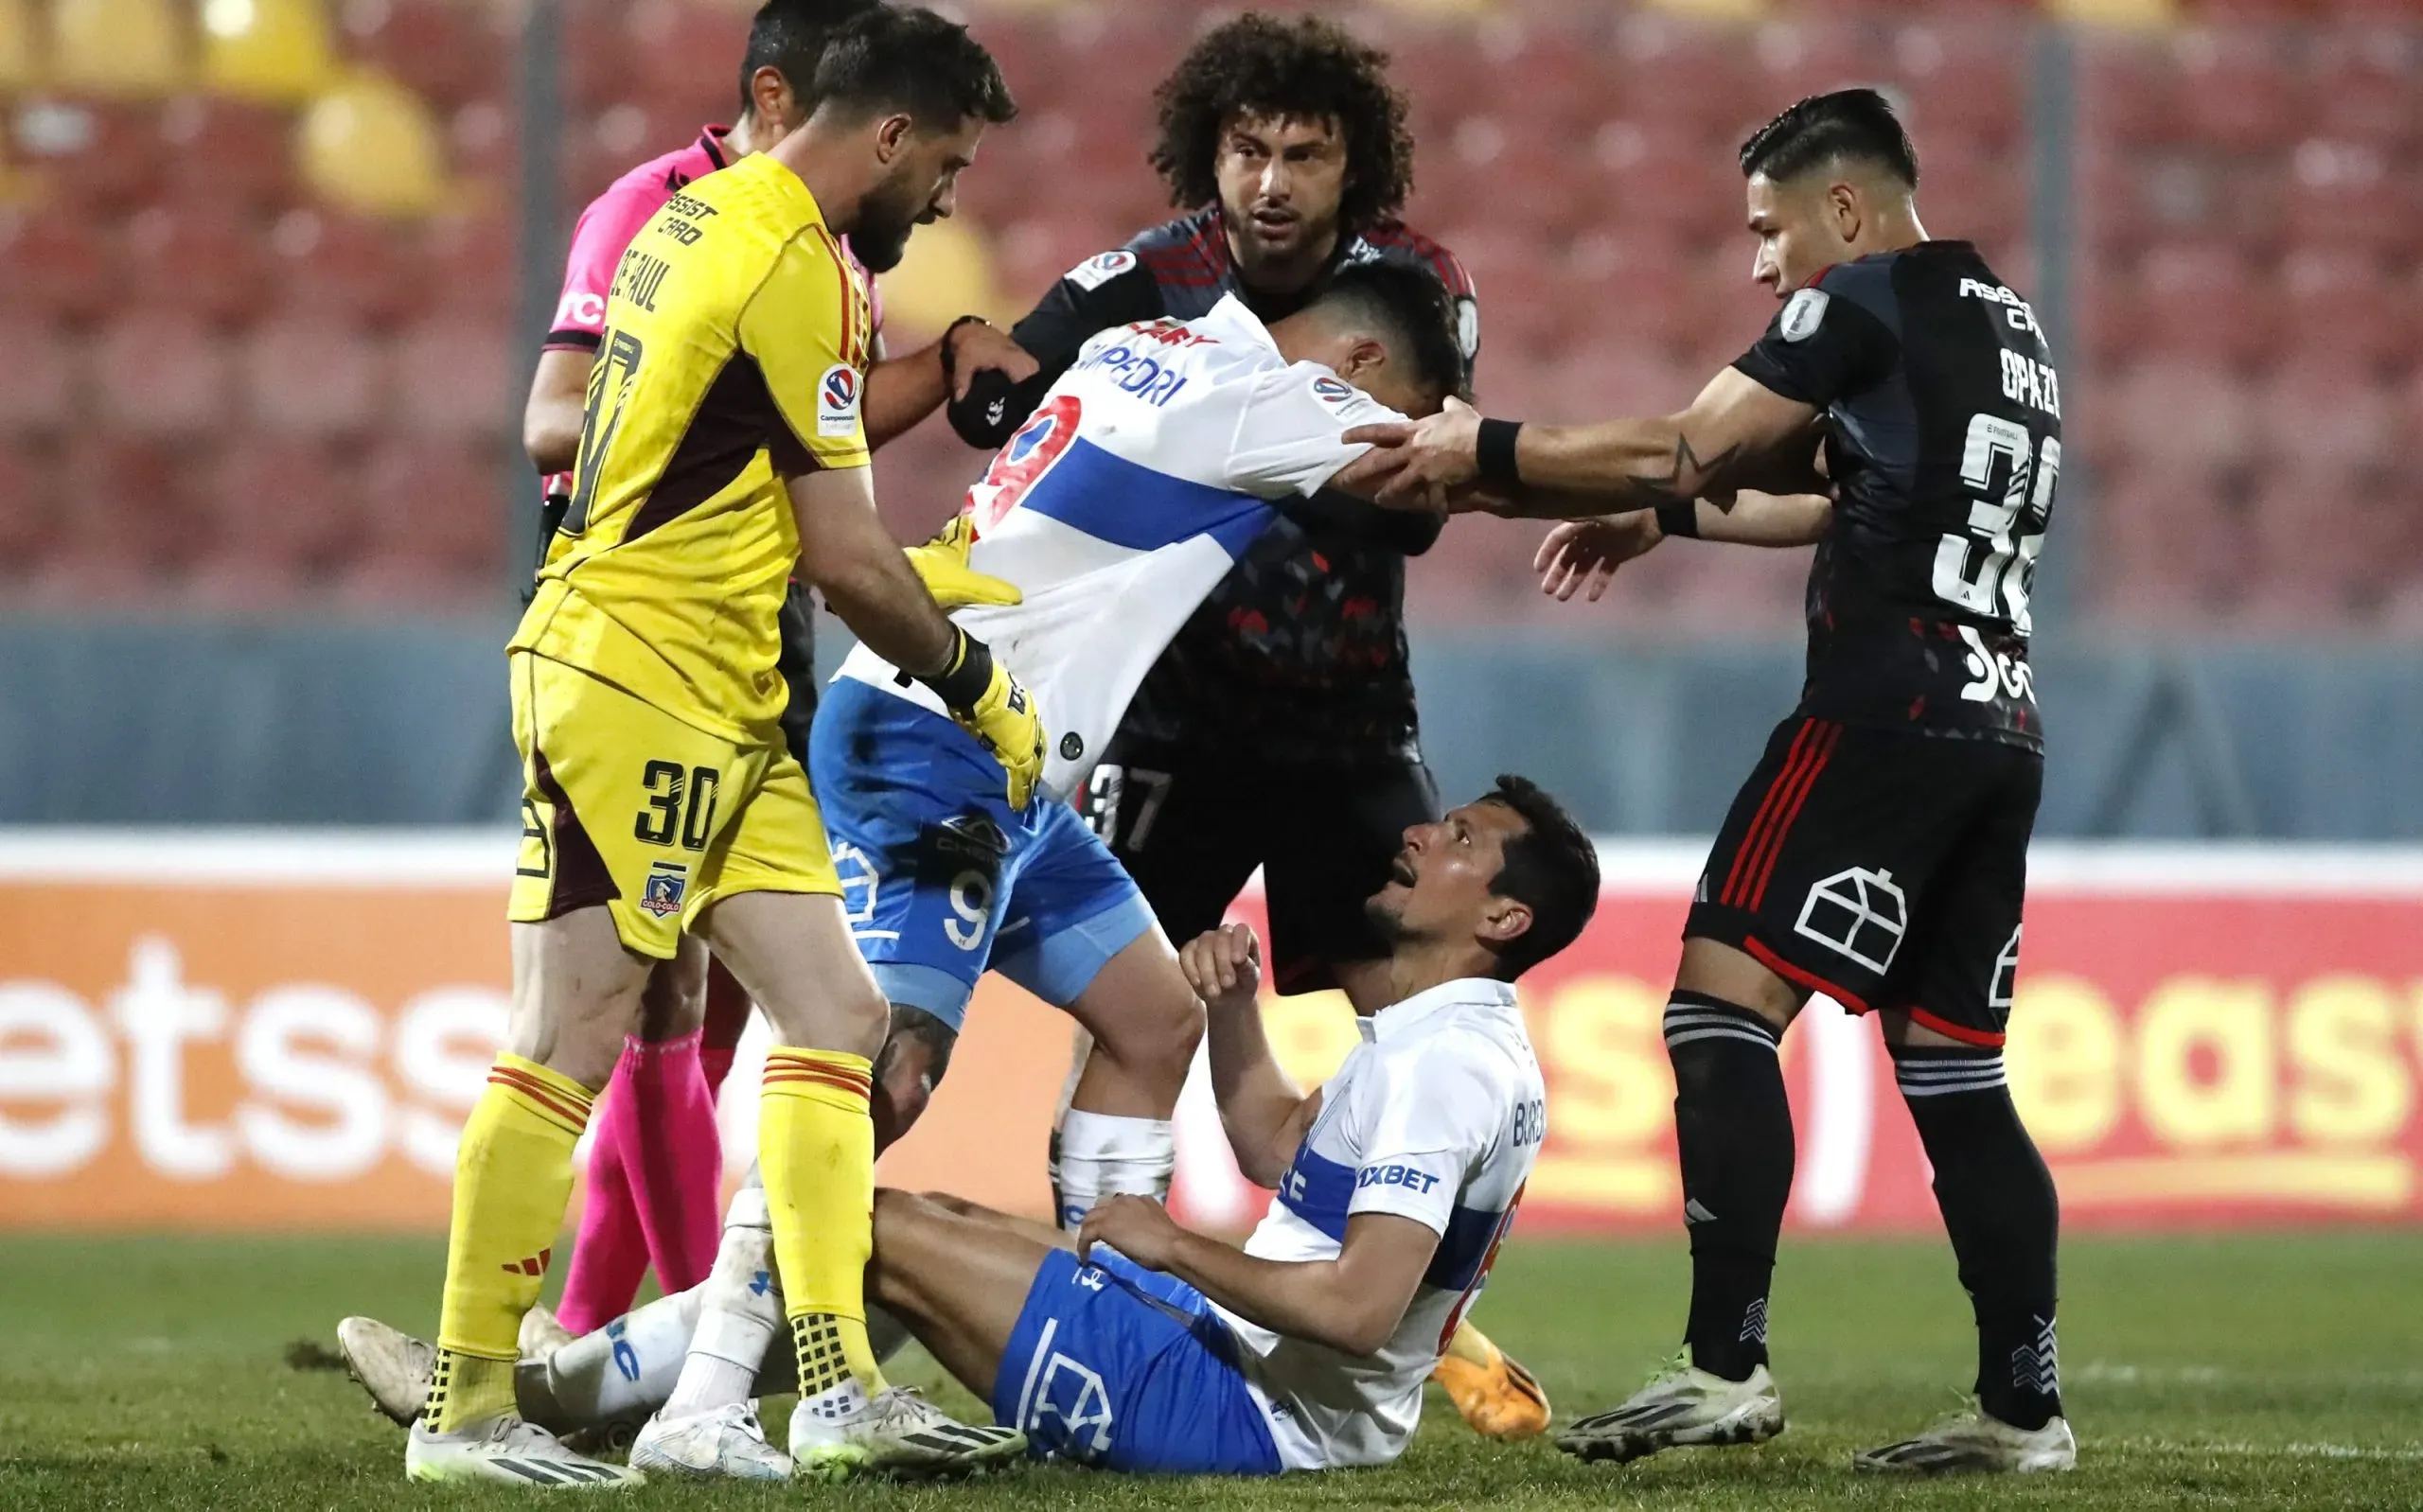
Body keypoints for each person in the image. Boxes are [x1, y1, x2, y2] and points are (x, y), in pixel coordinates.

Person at [1344, 89, 2075, 1476]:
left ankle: (1726, 1364)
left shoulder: (1858, 298)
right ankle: (2023, 1407)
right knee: (1957, 1070)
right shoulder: (2007, 327)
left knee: (1717, 1003)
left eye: (1768, 231)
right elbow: (1841, 493)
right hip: (1998, 727)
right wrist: (1660, 515)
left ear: (1844, 211)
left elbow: (1689, 438)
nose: (1760, 266)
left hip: (1878, 713)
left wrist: (1479, 450)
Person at [410, 9, 1035, 1486]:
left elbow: (721, 466)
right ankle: (465, 1406)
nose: (944, 198)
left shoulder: (696, 223)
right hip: (641, 681)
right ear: (887, 135)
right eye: (942, 163)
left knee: (835, 1023)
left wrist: (890, 567)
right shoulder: (796, 263)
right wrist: (972, 676)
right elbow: (840, 546)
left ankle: (834, 1389)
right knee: (568, 1031)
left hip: (722, 685)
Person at [346, 779, 1601, 1479]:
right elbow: (1282, 1149)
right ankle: (565, 1389)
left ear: (1499, 920)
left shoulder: (1451, 1065)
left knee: (871, 1231)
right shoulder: (1440, 1040)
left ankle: (564, 1390)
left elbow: (1358, 1309)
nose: (1421, 833)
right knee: (916, 1230)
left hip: (1259, 1418)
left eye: (1464, 842)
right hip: (1235, 1355)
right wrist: (1233, 1015)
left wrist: (1170, 1244)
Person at [948, 10, 1545, 1439]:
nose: (1272, 181)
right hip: (1173, 734)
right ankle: (1110, 1311)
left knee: (1409, 1024)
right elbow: (1006, 394)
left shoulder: (1415, 287)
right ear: (1208, 148)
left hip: (1348, 730)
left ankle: (1414, 1311)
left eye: (1306, 154)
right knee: (1128, 1018)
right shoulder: (1145, 278)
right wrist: (979, 355)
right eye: (1248, 148)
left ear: (1357, 169)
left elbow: (1412, 497)